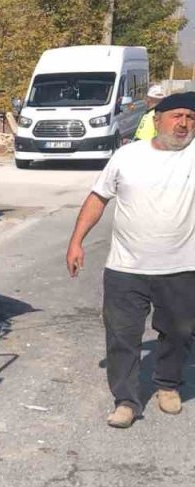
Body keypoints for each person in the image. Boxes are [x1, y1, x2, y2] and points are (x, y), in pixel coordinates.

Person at [65, 92, 195, 428]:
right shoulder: (127, 157)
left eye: (190, 117)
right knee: (122, 336)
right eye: (176, 115)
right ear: (157, 120)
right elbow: (98, 199)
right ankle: (126, 400)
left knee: (180, 333)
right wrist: (76, 241)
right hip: (126, 268)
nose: (183, 123)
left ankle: (167, 385)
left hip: (182, 268)